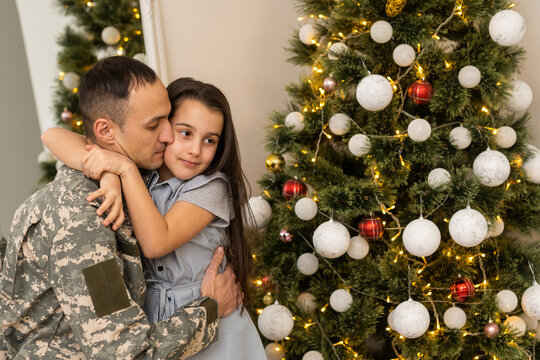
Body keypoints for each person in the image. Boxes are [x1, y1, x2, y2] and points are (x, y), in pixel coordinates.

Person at [0, 56, 241, 359]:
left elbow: (62, 139)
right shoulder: (85, 223)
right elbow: (126, 354)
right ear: (106, 132)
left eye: (168, 119)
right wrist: (210, 310)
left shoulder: (134, 174)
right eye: (154, 124)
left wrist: (112, 170)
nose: (168, 136)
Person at [42, 77, 266, 359]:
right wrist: (108, 171)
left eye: (209, 140)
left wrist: (123, 169)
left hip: (216, 325)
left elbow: (156, 242)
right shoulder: (145, 170)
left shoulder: (212, 186)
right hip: (163, 329)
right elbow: (51, 135)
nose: (195, 149)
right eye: (185, 133)